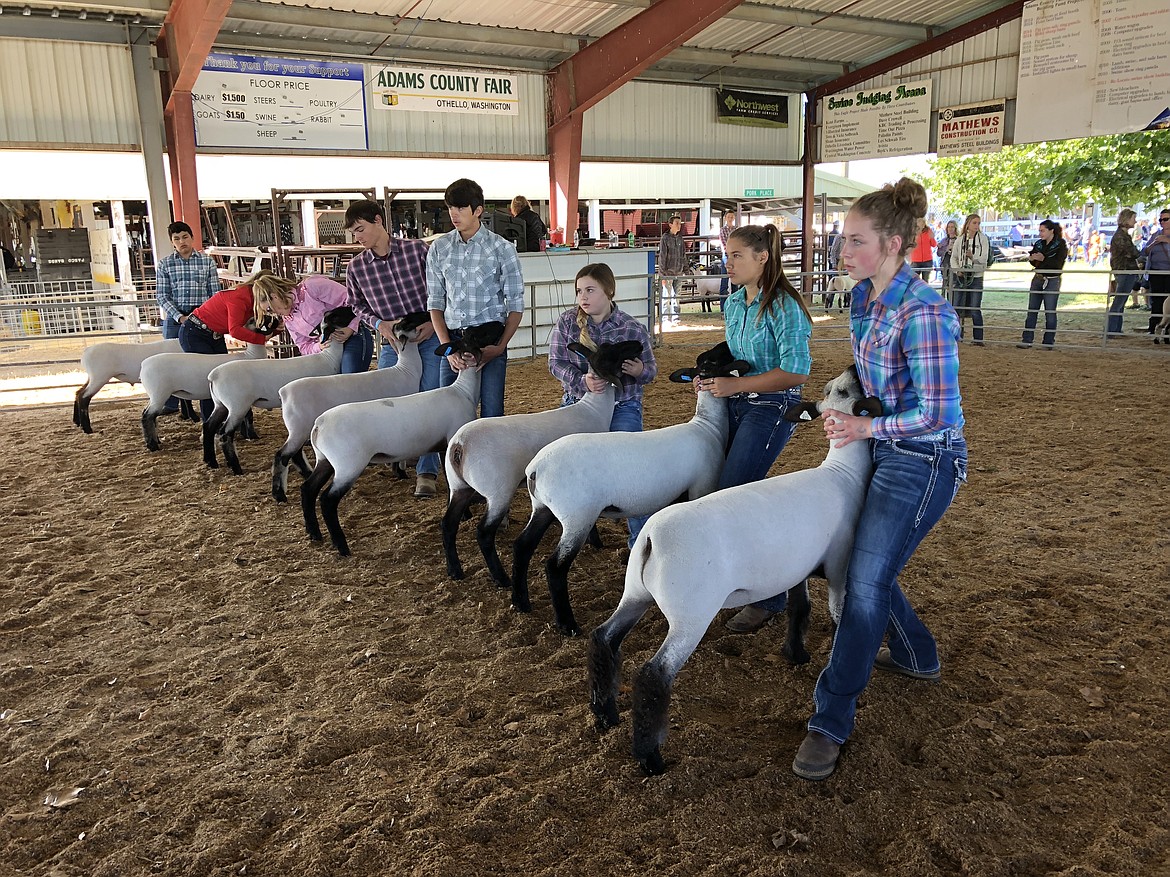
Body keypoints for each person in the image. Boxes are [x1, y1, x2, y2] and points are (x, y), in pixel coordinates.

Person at [792, 177, 966, 782]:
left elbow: (939, 413)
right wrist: (847, 417)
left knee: (863, 579)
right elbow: (875, 388)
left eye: (855, 241)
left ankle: (830, 719)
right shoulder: (865, 300)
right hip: (887, 448)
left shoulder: (925, 314)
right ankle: (917, 654)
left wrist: (866, 431)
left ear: (893, 244)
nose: (842, 251)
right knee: (870, 568)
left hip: (925, 457)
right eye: (843, 239)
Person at [692, 223, 812, 634]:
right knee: (713, 487)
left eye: (736, 256)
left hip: (772, 407)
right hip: (735, 403)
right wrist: (711, 377)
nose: (728, 263)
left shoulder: (783, 306)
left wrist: (736, 385)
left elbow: (796, 371)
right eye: (727, 256)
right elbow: (736, 355)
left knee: (731, 495)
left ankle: (770, 594)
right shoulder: (734, 304)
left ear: (762, 258)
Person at [548, 263, 657, 546]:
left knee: (632, 471)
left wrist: (637, 371)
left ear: (608, 291)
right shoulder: (568, 322)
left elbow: (651, 372)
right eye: (579, 291)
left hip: (623, 405)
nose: (583, 297)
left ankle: (640, 541)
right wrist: (581, 381)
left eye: (590, 290)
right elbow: (555, 363)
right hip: (578, 404)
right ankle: (575, 529)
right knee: (568, 465)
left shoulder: (632, 328)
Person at [343, 199, 439, 497]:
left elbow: (441, 288)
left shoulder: (418, 250)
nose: (358, 237)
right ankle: (398, 455)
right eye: (353, 233)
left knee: (430, 398)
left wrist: (435, 324)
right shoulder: (357, 267)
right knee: (390, 401)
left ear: (378, 221)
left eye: (360, 229)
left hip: (427, 334)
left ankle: (427, 470)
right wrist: (378, 323)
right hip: (393, 341)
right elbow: (355, 305)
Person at [427, 177, 525, 421]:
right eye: (450, 207)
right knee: (447, 416)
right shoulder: (439, 248)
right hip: (454, 340)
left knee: (492, 415)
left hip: (489, 338)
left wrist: (500, 347)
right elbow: (435, 301)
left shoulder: (502, 249)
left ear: (478, 210)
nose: (454, 214)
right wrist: (448, 349)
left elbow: (516, 303)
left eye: (460, 208)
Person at [178, 272, 279, 423]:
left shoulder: (250, 300)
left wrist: (275, 330)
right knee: (212, 379)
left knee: (224, 377)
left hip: (213, 334)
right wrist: (261, 339)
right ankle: (211, 425)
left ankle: (230, 422)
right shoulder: (239, 298)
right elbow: (235, 330)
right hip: (195, 332)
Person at [155, 221, 220, 414]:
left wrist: (207, 317)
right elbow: (162, 295)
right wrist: (179, 316)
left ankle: (207, 403)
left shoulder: (207, 262)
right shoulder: (165, 264)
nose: (181, 241)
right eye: (176, 239)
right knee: (175, 362)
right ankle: (176, 404)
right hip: (176, 318)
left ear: (192, 238)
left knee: (203, 363)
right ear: (172, 242)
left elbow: (214, 294)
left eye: (185, 237)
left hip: (203, 319)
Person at [251, 273, 372, 373]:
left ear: (274, 297)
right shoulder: (290, 321)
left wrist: (351, 327)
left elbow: (354, 300)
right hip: (328, 352)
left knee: (349, 380)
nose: (274, 313)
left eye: (270, 309)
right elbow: (303, 346)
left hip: (354, 336)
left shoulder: (311, 287)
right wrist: (318, 346)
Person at [1018, 219, 1068, 349]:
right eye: (1039, 231)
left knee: (1050, 311)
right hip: (1038, 278)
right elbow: (1034, 259)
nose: (1040, 233)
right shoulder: (1039, 243)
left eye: (1042, 230)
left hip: (1052, 279)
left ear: (1051, 230)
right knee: (1032, 310)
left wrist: (1042, 259)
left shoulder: (1060, 244)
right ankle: (1027, 339)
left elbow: (1058, 264)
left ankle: (1048, 341)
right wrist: (1033, 260)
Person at [950, 214, 991, 346]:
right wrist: (957, 270)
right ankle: (956, 336)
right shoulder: (960, 239)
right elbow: (954, 257)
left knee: (975, 308)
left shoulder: (983, 239)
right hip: (961, 277)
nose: (976, 226)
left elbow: (984, 258)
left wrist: (973, 258)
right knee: (957, 307)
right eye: (974, 223)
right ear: (968, 224)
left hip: (976, 277)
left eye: (978, 223)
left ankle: (978, 339)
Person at [1107, 208, 1142, 338]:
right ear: (1126, 219)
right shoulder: (1120, 236)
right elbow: (1133, 253)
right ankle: (1111, 331)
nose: (1135, 221)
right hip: (1124, 271)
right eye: (1133, 218)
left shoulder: (1123, 235)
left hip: (1125, 271)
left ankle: (1115, 330)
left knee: (1121, 301)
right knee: (1119, 302)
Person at [1140, 209, 1170, 335]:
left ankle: (1167, 329)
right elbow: (1144, 252)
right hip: (1156, 272)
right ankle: (1153, 327)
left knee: (1168, 301)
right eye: (1161, 219)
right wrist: (1154, 243)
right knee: (1156, 300)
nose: (1162, 222)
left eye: (1165, 219)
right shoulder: (1155, 234)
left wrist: (1167, 240)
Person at [658, 214, 686, 327]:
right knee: (667, 295)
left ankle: (675, 317)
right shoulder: (665, 238)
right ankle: (666, 318)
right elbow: (662, 256)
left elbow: (683, 255)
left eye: (679, 223)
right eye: (677, 223)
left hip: (678, 271)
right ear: (670, 225)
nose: (679, 226)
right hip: (668, 272)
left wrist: (685, 269)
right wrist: (662, 273)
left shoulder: (680, 238)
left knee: (676, 296)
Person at [935, 219, 959, 302]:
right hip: (945, 266)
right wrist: (945, 249)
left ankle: (952, 303)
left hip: (955, 266)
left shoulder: (959, 240)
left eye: (952, 227)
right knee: (945, 287)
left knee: (953, 287)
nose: (950, 229)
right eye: (949, 227)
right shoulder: (944, 240)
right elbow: (938, 253)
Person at [719, 211, 737, 311]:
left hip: (735, 257)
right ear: (725, 218)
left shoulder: (736, 229)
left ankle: (734, 307)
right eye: (728, 216)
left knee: (735, 282)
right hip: (727, 256)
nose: (730, 218)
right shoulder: (723, 230)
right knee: (724, 283)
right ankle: (723, 308)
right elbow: (724, 243)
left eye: (732, 216)